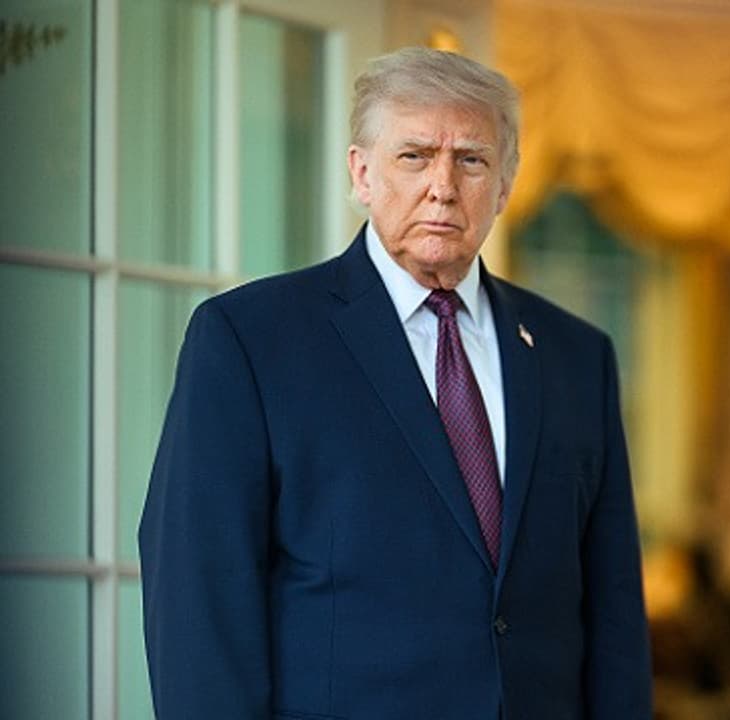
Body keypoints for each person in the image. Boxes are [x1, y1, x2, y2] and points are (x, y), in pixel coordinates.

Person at [138, 47, 653, 719]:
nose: (443, 186)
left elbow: (614, 606)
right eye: (414, 156)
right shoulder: (249, 340)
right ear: (362, 173)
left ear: (505, 184)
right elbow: (198, 593)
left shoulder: (576, 356)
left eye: (471, 160)